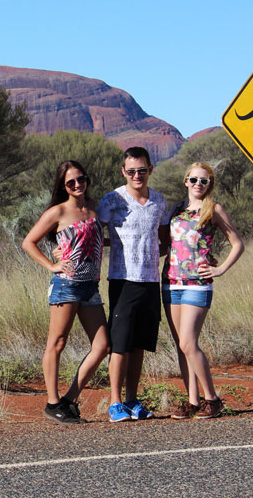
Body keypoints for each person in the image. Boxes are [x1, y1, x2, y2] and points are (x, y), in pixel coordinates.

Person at [22, 160, 110, 424]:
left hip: (90, 286)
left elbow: (91, 240)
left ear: (86, 179)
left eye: (80, 179)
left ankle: (69, 399)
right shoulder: (57, 212)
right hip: (67, 284)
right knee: (57, 343)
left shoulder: (94, 209)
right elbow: (29, 242)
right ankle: (52, 402)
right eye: (70, 182)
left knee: (103, 345)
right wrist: (52, 264)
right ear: (63, 186)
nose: (77, 185)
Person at [162, 162, 244, 419]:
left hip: (198, 283)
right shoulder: (176, 210)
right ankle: (192, 401)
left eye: (204, 181)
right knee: (181, 345)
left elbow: (238, 244)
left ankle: (213, 399)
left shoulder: (213, 209)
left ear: (210, 185)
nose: (199, 184)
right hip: (172, 282)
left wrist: (220, 270)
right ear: (186, 181)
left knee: (189, 342)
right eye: (194, 179)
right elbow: (163, 242)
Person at [97, 146, 168, 422]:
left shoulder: (159, 202)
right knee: (120, 343)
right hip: (122, 279)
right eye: (131, 171)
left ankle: (132, 400)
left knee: (139, 344)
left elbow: (164, 240)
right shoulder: (112, 200)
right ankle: (115, 403)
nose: (137, 175)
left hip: (150, 280)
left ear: (150, 169)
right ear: (123, 172)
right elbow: (93, 229)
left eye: (142, 170)